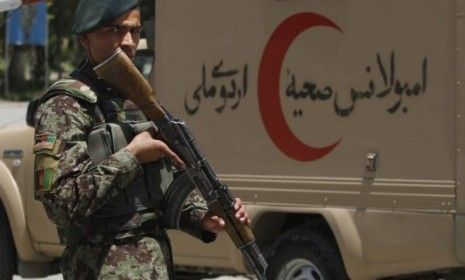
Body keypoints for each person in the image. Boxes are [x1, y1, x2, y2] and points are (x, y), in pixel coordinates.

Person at [32, 0, 251, 279]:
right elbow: (60, 205)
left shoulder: (136, 99)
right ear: (85, 39)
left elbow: (156, 191)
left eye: (134, 31)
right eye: (114, 30)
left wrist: (203, 217)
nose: (127, 42)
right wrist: (131, 156)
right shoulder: (65, 106)